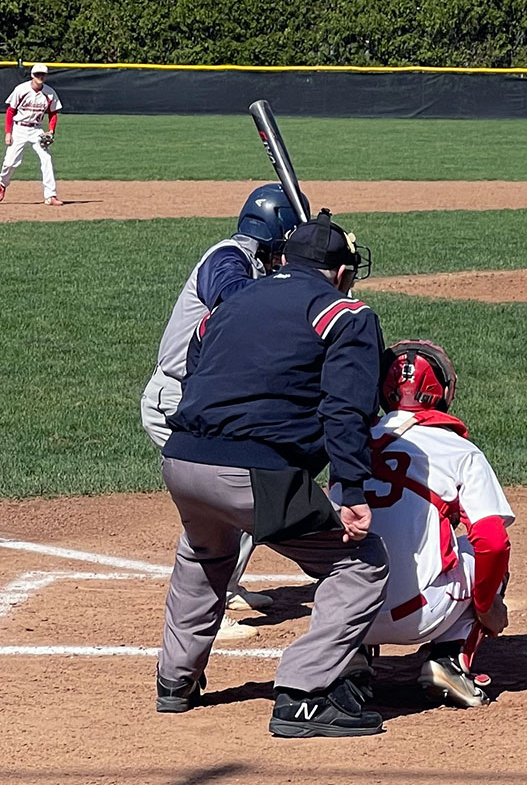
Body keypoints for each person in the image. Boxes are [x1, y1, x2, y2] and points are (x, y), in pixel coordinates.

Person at [155, 210, 390, 739]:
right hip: (252, 470)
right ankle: (304, 696)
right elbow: (346, 408)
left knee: (204, 554)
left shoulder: (231, 304)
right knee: (359, 563)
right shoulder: (344, 313)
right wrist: (349, 488)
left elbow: (198, 371)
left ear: (282, 260)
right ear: (341, 271)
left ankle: (175, 683)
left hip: (182, 461)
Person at [140, 183, 306, 639]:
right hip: (177, 398)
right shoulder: (227, 257)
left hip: (209, 401)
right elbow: (235, 302)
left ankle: (226, 585)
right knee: (223, 497)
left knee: (253, 484)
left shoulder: (258, 268)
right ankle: (209, 605)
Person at [330, 340, 513, 709]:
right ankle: (449, 660)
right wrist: (487, 605)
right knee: (481, 555)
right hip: (419, 613)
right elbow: (492, 541)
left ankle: (352, 658)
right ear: (442, 391)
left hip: (346, 615)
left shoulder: (351, 444)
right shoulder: (460, 451)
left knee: (348, 548)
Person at [0, 62, 63, 205]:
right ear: (32, 75)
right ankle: (2, 184)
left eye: (43, 74)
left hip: (36, 129)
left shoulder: (49, 93)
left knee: (46, 159)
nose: (40, 77)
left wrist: (51, 130)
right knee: (10, 162)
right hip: (19, 128)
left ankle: (50, 196)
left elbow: (53, 113)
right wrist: (8, 132)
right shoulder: (21, 90)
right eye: (37, 74)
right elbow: (10, 111)